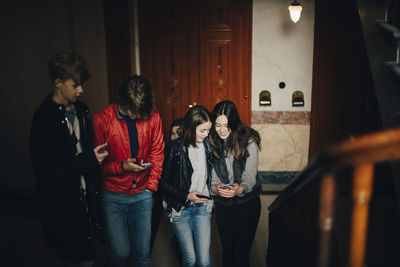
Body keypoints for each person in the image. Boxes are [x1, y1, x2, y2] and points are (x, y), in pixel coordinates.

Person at [29, 50, 109, 266]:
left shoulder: (82, 110)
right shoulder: (43, 118)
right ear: (58, 82)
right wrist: (89, 160)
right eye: (75, 85)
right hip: (64, 209)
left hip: (86, 202)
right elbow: (46, 171)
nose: (81, 90)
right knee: (81, 259)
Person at [92, 75, 164, 267]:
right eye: (135, 113)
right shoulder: (101, 120)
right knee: (121, 252)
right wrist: (122, 167)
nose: (139, 117)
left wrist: (151, 187)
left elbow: (157, 152)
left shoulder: (153, 116)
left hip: (143, 194)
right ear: (123, 103)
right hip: (113, 195)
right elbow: (97, 165)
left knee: (142, 253)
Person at [209, 100, 262, 267]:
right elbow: (212, 175)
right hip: (223, 202)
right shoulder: (210, 141)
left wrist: (240, 189)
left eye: (226, 125)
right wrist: (215, 188)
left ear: (234, 123)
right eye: (217, 125)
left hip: (248, 203)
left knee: (241, 253)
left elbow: (250, 177)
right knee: (228, 251)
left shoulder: (249, 140)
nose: (222, 130)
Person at [159, 106, 213, 267]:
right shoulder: (175, 148)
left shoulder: (208, 146)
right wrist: (186, 195)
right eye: (203, 130)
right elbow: (162, 183)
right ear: (191, 127)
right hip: (180, 209)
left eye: (208, 131)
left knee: (204, 261)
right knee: (190, 259)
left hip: (202, 207)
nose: (207, 134)